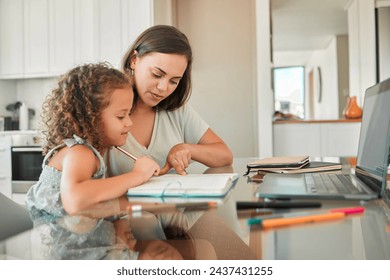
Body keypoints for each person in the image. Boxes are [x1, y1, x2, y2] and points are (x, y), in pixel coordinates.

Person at [25, 62, 160, 220]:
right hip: (63, 243)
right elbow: (76, 201)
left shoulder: (92, 151)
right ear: (90, 118)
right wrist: (138, 175)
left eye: (129, 113)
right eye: (121, 116)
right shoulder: (80, 153)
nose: (129, 122)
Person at [106, 25, 233, 176]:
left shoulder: (177, 110)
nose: (163, 88)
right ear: (134, 60)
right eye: (157, 74)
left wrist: (186, 149)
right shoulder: (106, 106)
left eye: (174, 81)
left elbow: (225, 155)